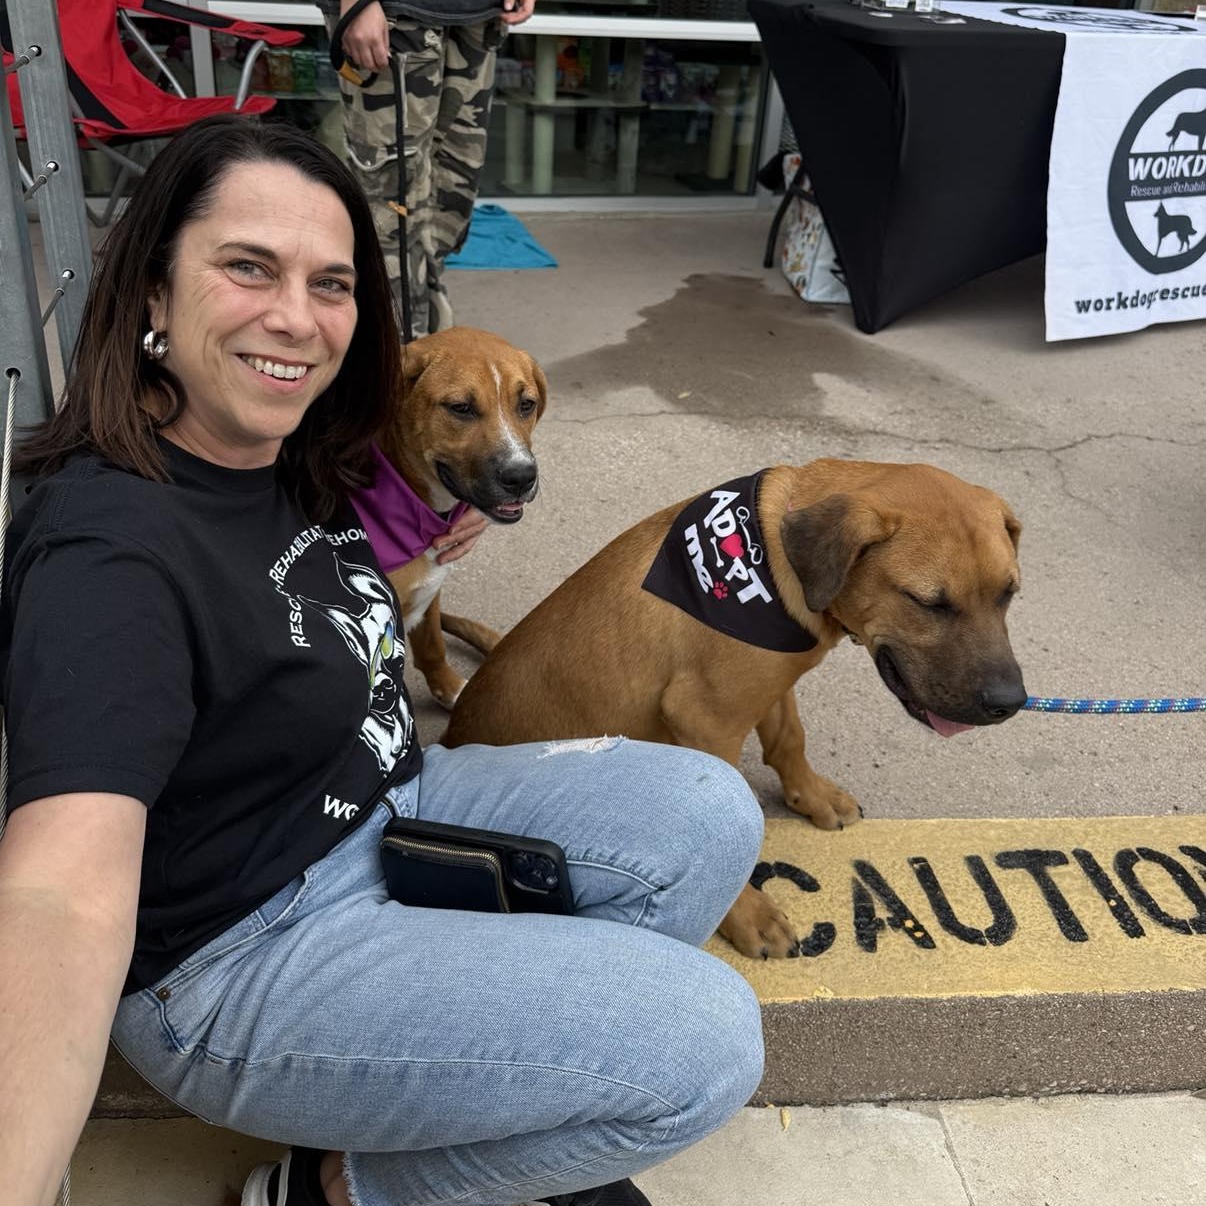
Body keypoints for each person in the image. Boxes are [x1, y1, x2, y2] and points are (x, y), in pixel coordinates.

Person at [0, 114, 765, 1206]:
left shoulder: (285, 443)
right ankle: (345, 1188)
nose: (296, 318)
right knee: (706, 1042)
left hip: (386, 797)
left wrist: (441, 513)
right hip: (243, 954)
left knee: (709, 808)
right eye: (247, 268)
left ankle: (514, 1096)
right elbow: (58, 892)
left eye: (331, 283)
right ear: (154, 294)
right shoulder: (107, 553)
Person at [316, 0, 534, 339]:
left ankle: (425, 335)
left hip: (477, 17)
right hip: (394, 18)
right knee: (390, 212)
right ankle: (393, 355)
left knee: (451, 195)